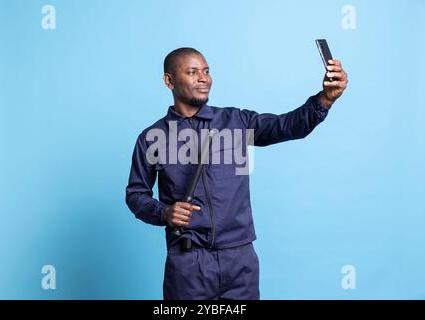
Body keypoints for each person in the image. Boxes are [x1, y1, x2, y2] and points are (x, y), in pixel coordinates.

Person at [125, 47, 348, 300]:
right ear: (169, 81)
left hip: (240, 261)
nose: (203, 78)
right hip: (188, 264)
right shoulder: (152, 138)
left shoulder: (236, 121)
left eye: (206, 71)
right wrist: (164, 212)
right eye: (192, 72)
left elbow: (287, 126)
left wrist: (325, 99)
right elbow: (135, 195)